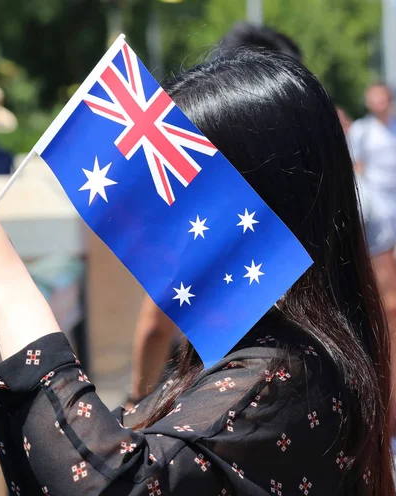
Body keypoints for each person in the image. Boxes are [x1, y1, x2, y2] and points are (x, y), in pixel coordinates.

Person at [0, 50, 395, 494]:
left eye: (181, 188)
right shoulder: (245, 352)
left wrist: (10, 292)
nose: (154, 217)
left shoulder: (286, 373)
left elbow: (115, 483)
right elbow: (48, 466)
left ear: (263, 200)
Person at [126, 23, 303, 408]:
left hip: (216, 405)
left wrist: (136, 401)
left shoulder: (207, 201)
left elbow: (157, 323)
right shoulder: (326, 193)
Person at [348, 83, 396, 452]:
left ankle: (392, 405)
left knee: (392, 293)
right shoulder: (363, 131)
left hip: (395, 209)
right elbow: (359, 168)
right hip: (372, 202)